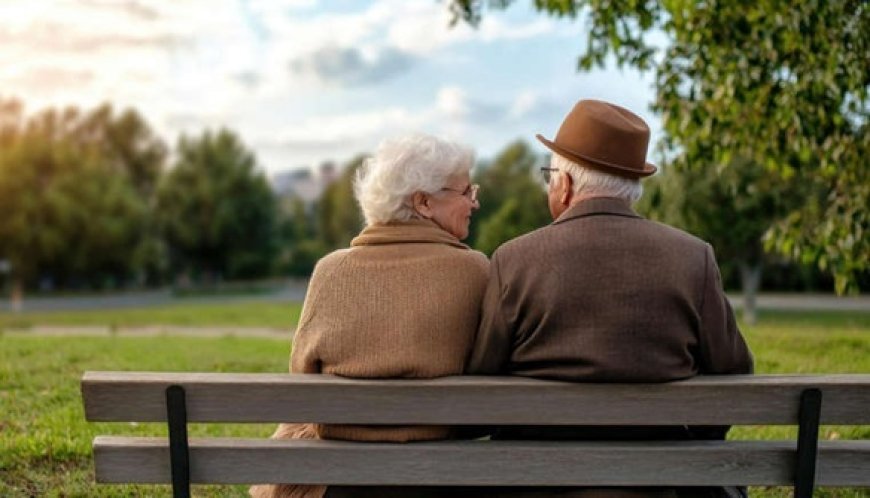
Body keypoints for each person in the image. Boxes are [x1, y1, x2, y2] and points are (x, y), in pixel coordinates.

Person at [466, 99, 753, 498]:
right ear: (632, 190)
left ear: (563, 185)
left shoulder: (514, 259)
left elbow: (481, 378)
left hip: (538, 484)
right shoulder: (693, 256)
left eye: (550, 176)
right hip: (660, 483)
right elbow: (734, 370)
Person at [250, 133, 489, 498]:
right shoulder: (476, 271)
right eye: (466, 192)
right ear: (423, 202)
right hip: (439, 482)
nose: (474, 203)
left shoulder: (330, 270)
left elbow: (302, 375)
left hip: (341, 485)